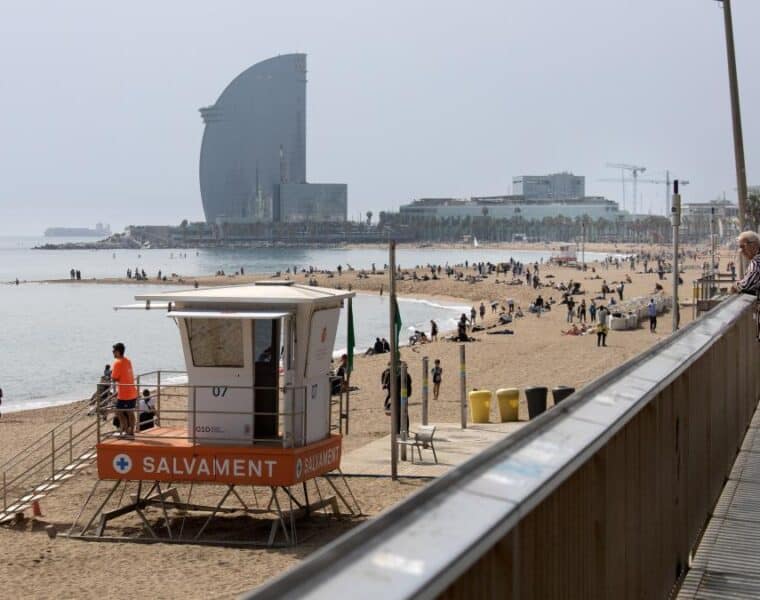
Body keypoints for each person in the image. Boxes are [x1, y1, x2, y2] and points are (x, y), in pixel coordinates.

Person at [111, 342, 138, 437]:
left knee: (119, 412)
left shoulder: (118, 363)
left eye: (113, 351)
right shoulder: (128, 361)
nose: (112, 352)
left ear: (118, 352)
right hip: (132, 391)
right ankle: (131, 431)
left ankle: (127, 431)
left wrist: (114, 376)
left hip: (124, 394)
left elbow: (114, 378)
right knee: (130, 412)